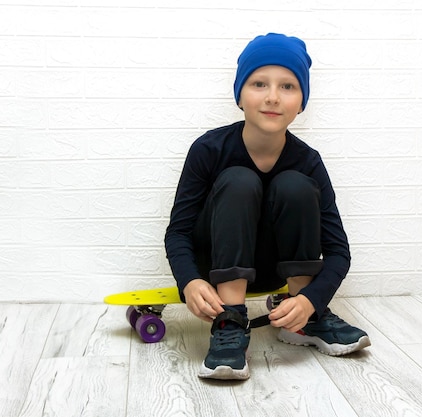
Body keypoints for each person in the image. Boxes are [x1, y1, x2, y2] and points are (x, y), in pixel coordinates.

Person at [164, 33, 370, 381]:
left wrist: (311, 300)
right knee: (239, 180)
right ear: (240, 94)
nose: (273, 97)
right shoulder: (208, 149)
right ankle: (229, 318)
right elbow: (179, 232)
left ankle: (303, 322)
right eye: (259, 83)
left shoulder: (308, 161)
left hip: (276, 268)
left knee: (294, 184)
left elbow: (339, 252)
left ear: (302, 101)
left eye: (288, 86)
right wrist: (190, 281)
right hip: (216, 264)